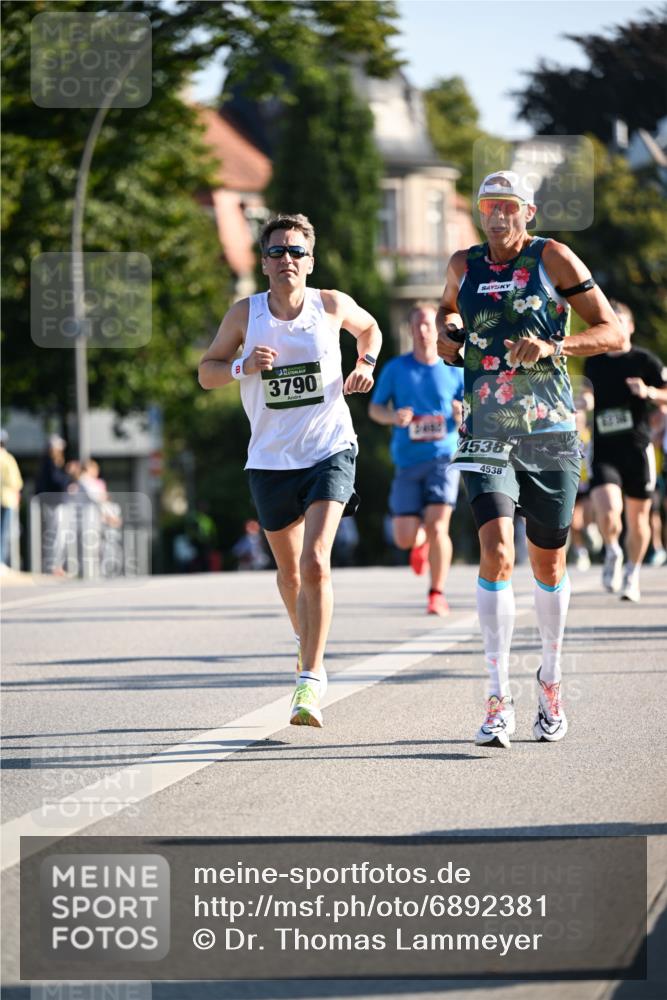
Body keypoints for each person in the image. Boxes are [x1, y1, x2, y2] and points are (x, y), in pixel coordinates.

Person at [436, 169, 623, 748]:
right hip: (485, 427)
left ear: (528, 212)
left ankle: (551, 679)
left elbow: (612, 332)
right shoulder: (463, 264)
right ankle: (497, 697)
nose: (498, 215)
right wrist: (448, 335)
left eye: (508, 206)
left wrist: (554, 345)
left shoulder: (554, 258)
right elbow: (447, 312)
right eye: (489, 205)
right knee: (495, 551)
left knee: (548, 565)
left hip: (549, 429)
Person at [198, 213, 382, 728]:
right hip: (270, 460)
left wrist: (365, 363)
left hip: (329, 448)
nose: (287, 260)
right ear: (264, 262)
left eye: (296, 251)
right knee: (290, 574)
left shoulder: (330, 305)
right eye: (277, 251)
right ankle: (306, 638)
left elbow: (369, 328)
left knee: (316, 560)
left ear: (310, 261)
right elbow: (207, 372)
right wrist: (242, 366)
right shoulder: (246, 314)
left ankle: (310, 678)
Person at [369, 303, 463, 616]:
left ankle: (436, 593)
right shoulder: (396, 369)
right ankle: (419, 541)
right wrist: (393, 417)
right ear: (410, 330)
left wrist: (461, 413)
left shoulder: (455, 367)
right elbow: (375, 409)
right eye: (418, 325)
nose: (423, 331)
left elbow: (473, 405)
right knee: (403, 538)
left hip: (443, 457)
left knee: (439, 527)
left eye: (429, 325)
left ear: (439, 329)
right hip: (407, 461)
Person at [585, 300, 667, 602]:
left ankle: (632, 574)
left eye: (620, 321)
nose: (615, 326)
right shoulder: (595, 362)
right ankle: (613, 551)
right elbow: (586, 393)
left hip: (637, 449)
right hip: (604, 449)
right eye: (610, 321)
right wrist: (584, 401)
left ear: (630, 327)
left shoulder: (645, 361)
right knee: (609, 512)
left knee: (639, 519)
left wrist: (649, 392)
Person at [0, 430, 23, 569]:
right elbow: (16, 482)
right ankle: (1, 561)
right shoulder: (8, 459)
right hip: (7, 499)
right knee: (4, 532)